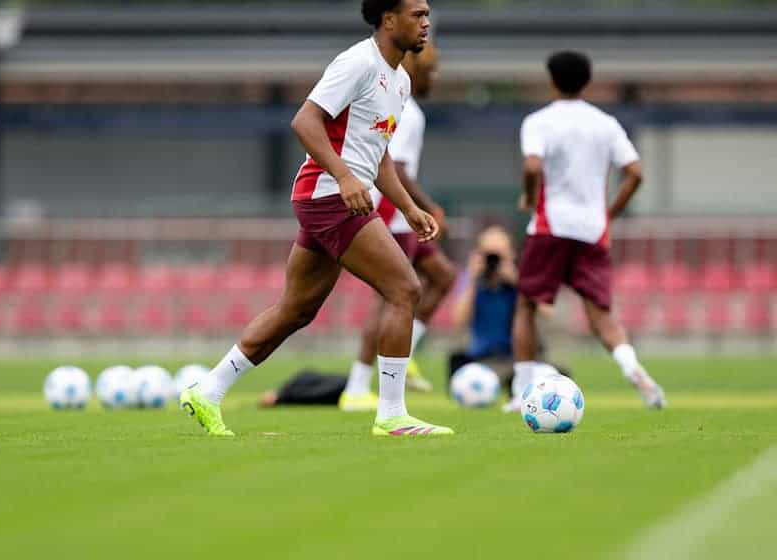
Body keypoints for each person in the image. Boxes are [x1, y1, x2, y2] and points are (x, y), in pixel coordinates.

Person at [180, 0, 454, 437]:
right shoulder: (357, 62)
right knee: (405, 288)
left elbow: (379, 155)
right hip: (328, 196)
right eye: (416, 15)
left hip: (335, 197)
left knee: (296, 309)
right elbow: (305, 121)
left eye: (426, 15)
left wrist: (408, 207)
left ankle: (207, 390)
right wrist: (345, 177)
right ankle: (392, 415)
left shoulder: (400, 79)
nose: (426, 23)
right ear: (387, 19)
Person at [508, 50, 666, 412]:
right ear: (587, 82)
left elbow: (532, 166)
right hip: (593, 230)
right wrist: (610, 212)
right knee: (600, 312)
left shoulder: (539, 121)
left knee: (527, 305)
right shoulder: (606, 124)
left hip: (550, 225)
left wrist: (529, 197)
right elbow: (635, 173)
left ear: (551, 81)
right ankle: (633, 368)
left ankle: (521, 390)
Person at [338, 40, 456, 411]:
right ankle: (357, 385)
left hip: (398, 212)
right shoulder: (406, 108)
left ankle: (408, 347)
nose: (434, 78)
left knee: (442, 276)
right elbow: (396, 169)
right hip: (392, 213)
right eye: (431, 70)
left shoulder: (404, 102)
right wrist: (426, 208)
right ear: (416, 69)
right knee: (392, 295)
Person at [448, 225, 571, 399]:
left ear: (511, 254)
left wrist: (518, 281)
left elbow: (547, 311)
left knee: (559, 376)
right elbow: (458, 320)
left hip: (522, 358)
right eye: (489, 255)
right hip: (485, 360)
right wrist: (473, 281)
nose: (494, 261)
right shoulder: (471, 281)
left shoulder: (524, 277)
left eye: (499, 255)